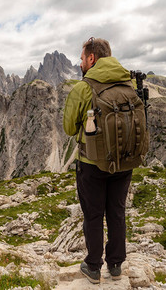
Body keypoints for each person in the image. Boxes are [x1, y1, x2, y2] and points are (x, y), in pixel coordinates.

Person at [63, 37, 133, 284]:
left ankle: (93, 266)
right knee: (117, 211)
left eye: (82, 58)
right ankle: (115, 265)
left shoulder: (83, 88)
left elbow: (70, 128)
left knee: (93, 214)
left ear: (91, 58)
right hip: (124, 162)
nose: (80, 63)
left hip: (92, 163)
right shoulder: (129, 82)